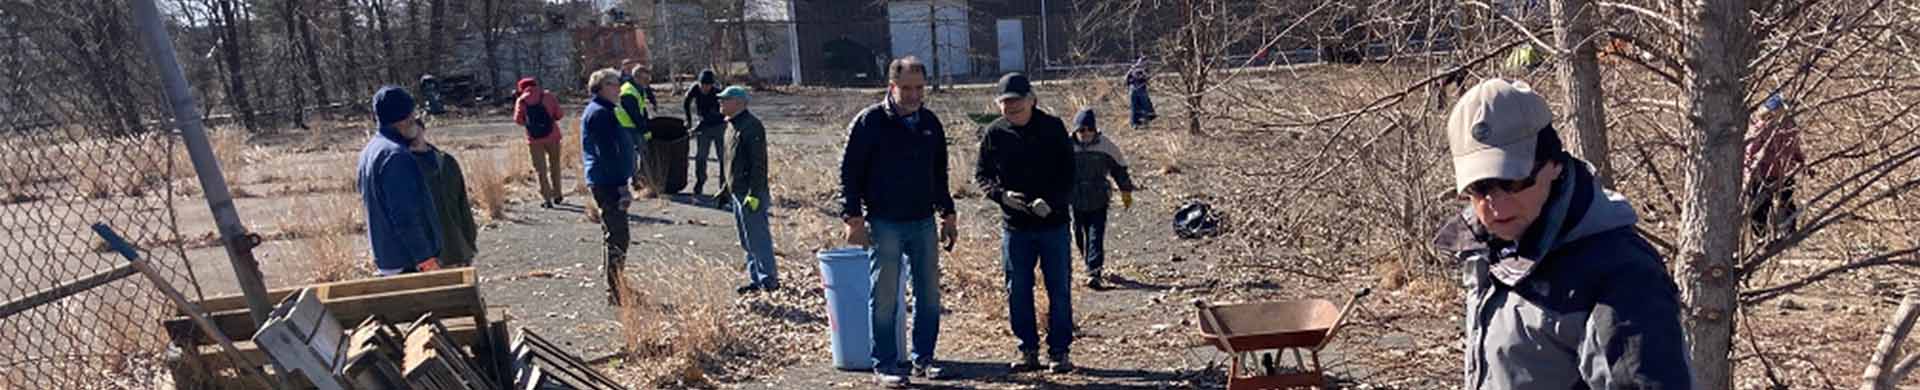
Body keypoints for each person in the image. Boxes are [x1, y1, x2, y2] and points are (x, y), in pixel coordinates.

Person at [1431, 79, 1691, 388]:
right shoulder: (1489, 246)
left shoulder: (1622, 273)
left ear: (1554, 164)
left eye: (1514, 181)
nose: (1496, 204)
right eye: (1479, 187)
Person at [839, 56, 957, 387]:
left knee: (929, 294)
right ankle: (885, 363)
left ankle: (925, 359)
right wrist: (852, 217)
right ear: (892, 86)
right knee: (886, 297)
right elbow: (848, 173)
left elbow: (939, 174)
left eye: (919, 87)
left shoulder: (930, 123)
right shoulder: (869, 122)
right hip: (884, 221)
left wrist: (948, 213)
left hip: (922, 220)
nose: (914, 94)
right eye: (906, 88)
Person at [974, 72, 1077, 374]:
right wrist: (1001, 196)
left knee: (1059, 289)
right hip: (1015, 228)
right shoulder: (994, 133)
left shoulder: (1053, 128)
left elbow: (1071, 175)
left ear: (1032, 99)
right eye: (1006, 104)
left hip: (1053, 225)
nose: (1012, 108)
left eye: (1017, 102)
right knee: (1017, 289)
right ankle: (1027, 349)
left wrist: (1053, 203)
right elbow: (982, 175)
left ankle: (1059, 351)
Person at [357, 86, 443, 276]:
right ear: (403, 119)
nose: (416, 118)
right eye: (412, 114)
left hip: (388, 258)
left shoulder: (370, 151)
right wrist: (426, 260)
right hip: (407, 261)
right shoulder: (396, 156)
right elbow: (405, 216)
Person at [583, 68, 638, 306]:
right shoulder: (599, 113)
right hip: (607, 182)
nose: (619, 88)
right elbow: (607, 152)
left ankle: (617, 286)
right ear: (601, 87)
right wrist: (621, 185)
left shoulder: (606, 110)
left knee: (616, 236)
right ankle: (615, 291)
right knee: (618, 236)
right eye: (614, 84)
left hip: (609, 179)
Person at [718, 86, 779, 294]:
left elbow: (758, 163)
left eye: (725, 99)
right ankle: (756, 279)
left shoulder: (751, 126)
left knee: (758, 237)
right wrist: (725, 189)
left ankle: (769, 279)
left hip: (750, 192)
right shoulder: (730, 126)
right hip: (737, 191)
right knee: (746, 238)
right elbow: (730, 162)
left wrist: (755, 192)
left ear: (739, 102)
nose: (721, 103)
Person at [1066, 109, 1135, 290]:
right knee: (1079, 235)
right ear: (1075, 131)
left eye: (1089, 129)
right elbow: (1055, 170)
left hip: (1099, 198)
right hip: (1076, 198)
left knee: (1096, 236)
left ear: (1095, 130)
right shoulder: (1065, 146)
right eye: (1082, 130)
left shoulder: (1106, 146)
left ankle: (1094, 272)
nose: (1086, 133)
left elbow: (1119, 169)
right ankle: (1088, 263)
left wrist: (1126, 191)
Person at [409, 123, 479, 268]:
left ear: (422, 128)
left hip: (456, 247)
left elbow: (462, 204)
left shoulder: (446, 161)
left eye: (413, 126)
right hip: (427, 256)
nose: (411, 133)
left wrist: (469, 241)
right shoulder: (402, 165)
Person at [1745, 93, 1806, 238]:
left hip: (1784, 172)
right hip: (1763, 175)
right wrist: (1753, 172)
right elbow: (1750, 152)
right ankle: (1761, 236)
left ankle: (1788, 231)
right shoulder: (1761, 128)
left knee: (1787, 203)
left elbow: (1794, 148)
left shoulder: (1790, 127)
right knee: (1760, 208)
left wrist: (1802, 162)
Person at [514, 77, 567, 208]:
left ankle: (547, 198)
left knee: (540, 170)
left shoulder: (522, 100)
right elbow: (560, 114)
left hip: (534, 139)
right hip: (553, 136)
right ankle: (558, 194)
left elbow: (518, 120)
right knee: (555, 166)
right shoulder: (548, 96)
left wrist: (529, 123)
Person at [683, 69, 726, 195]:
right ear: (699, 83)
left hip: (719, 125)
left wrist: (696, 128)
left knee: (722, 156)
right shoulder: (695, 89)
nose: (705, 88)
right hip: (704, 127)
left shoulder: (717, 94)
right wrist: (689, 121)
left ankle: (723, 185)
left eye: (708, 86)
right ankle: (700, 181)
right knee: (701, 156)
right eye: (703, 85)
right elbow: (686, 103)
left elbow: (712, 116)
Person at [1124, 57, 1156, 128]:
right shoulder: (1134, 68)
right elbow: (1126, 78)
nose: (1145, 64)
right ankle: (1135, 124)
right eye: (1143, 62)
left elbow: (1147, 78)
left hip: (1141, 89)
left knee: (1144, 106)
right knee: (1135, 107)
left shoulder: (1146, 70)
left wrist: (1143, 74)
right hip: (1134, 89)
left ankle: (1144, 122)